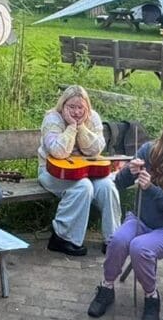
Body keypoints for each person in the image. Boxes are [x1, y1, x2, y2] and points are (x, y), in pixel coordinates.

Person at [86, 109, 163, 320]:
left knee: (140, 248)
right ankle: (106, 287)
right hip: (141, 219)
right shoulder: (149, 150)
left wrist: (151, 189)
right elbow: (119, 183)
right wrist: (129, 171)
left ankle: (152, 297)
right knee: (118, 239)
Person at [36, 85, 121, 257]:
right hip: (53, 172)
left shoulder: (93, 117)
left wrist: (81, 127)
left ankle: (113, 240)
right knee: (83, 187)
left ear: (87, 107)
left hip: (89, 171)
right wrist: (71, 128)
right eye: (71, 107)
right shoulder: (52, 119)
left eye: (80, 107)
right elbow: (58, 152)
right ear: (63, 105)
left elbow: (96, 149)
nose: (76, 112)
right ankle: (63, 238)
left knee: (107, 187)